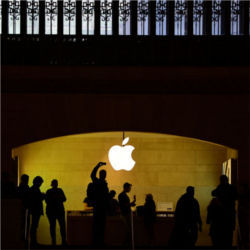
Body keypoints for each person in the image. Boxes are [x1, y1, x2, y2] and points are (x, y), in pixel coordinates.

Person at [210, 175, 238, 248]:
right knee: (228, 237)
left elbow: (213, 193)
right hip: (229, 215)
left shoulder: (220, 188)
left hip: (222, 216)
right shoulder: (231, 188)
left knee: (222, 237)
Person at [90, 162, 109, 247]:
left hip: (99, 207)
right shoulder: (99, 182)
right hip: (99, 207)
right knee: (99, 226)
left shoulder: (100, 183)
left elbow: (92, 175)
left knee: (99, 226)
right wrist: (98, 166)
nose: (104, 175)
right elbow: (92, 175)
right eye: (104, 174)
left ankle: (98, 242)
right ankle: (98, 242)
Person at [45, 179, 67, 246]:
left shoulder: (49, 191)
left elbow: (46, 201)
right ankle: (63, 241)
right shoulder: (60, 190)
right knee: (62, 226)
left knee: (52, 226)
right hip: (59, 211)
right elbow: (64, 199)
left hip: (51, 211)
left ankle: (53, 240)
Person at [118, 182, 136, 247]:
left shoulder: (122, 195)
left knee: (128, 230)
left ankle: (126, 243)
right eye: (129, 187)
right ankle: (125, 244)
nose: (130, 189)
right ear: (126, 187)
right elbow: (123, 205)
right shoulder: (122, 195)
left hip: (126, 214)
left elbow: (125, 205)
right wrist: (131, 204)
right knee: (127, 230)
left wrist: (132, 203)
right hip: (125, 214)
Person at [29, 176, 45, 247]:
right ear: (37, 182)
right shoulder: (35, 189)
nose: (41, 184)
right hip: (36, 210)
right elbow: (37, 199)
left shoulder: (33, 189)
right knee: (34, 226)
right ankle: (33, 242)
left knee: (34, 226)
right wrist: (43, 196)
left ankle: (33, 241)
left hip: (34, 210)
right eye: (40, 182)